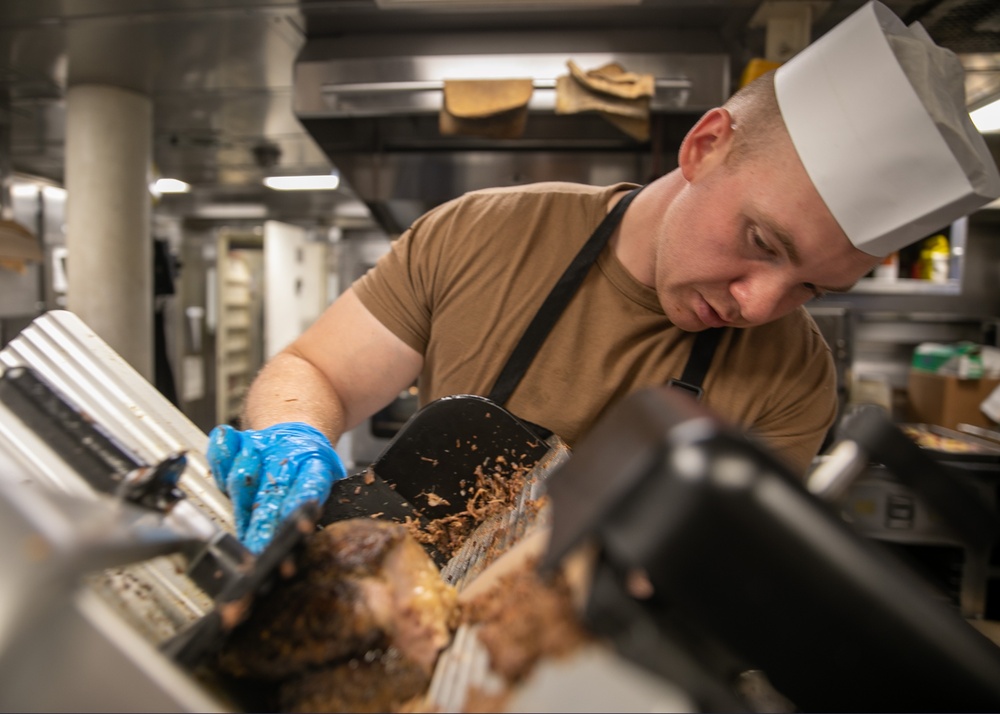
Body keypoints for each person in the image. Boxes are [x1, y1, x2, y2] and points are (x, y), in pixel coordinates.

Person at [207, 1, 1000, 554]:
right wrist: (294, 434)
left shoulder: (793, 377)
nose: (760, 305)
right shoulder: (483, 232)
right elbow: (314, 371)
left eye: (813, 289)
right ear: (705, 145)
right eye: (761, 241)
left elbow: (710, 570)